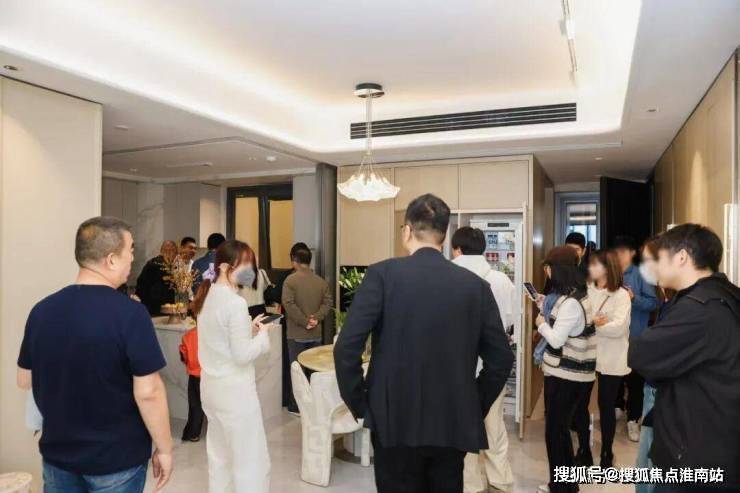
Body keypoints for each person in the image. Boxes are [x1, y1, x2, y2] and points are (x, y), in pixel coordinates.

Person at [334, 194, 514, 493]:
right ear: (444, 236)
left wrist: (362, 403)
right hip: (452, 419)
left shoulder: (382, 276)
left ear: (407, 231)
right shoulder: (475, 287)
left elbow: (346, 347)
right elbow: (501, 359)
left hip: (393, 418)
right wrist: (473, 403)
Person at [17, 216, 173, 493]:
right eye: (130, 250)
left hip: (58, 456)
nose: (132, 258)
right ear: (111, 260)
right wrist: (165, 448)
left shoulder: (41, 311)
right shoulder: (131, 314)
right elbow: (149, 392)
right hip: (116, 459)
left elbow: (24, 379)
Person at [629, 224, 740, 492]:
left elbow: (640, 354)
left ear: (681, 257)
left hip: (695, 457)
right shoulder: (726, 294)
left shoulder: (699, 309)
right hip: (716, 445)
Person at [191, 240, 274, 493]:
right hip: (235, 393)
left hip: (212, 389)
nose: (250, 271)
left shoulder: (207, 296)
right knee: (250, 459)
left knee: (220, 457)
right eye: (245, 265)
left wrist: (248, 329)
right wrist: (263, 337)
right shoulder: (235, 303)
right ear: (226, 267)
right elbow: (242, 355)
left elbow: (219, 339)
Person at [450, 226, 515, 493]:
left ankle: (471, 485)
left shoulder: (449, 276)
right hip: (493, 368)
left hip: (458, 369)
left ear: (457, 249)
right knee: (494, 428)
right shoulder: (502, 280)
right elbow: (509, 322)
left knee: (462, 431)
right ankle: (500, 481)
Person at [535, 246, 595, 493]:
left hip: (565, 376)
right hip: (574, 376)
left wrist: (540, 324)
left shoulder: (571, 302)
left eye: (548, 267)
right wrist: (544, 304)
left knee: (556, 433)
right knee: (559, 432)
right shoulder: (577, 295)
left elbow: (557, 339)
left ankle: (562, 487)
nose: (546, 272)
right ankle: (565, 484)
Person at [572, 250, 631, 469]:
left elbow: (619, 328)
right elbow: (579, 319)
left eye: (596, 265)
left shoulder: (621, 295)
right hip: (587, 353)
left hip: (612, 356)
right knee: (580, 403)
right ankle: (584, 450)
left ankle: (607, 451)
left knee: (606, 406)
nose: (591, 268)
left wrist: (593, 325)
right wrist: (597, 322)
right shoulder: (586, 290)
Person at [635, 237, 673, 493]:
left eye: (650, 261)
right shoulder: (670, 300)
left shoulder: (683, 305)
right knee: (647, 459)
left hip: (661, 390)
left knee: (650, 460)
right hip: (655, 386)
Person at [613, 235, 658, 442]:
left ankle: (633, 419)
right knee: (614, 376)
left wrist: (634, 298)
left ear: (632, 254)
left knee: (635, 381)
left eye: (623, 252)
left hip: (635, 337)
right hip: (613, 338)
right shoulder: (609, 273)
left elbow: (654, 303)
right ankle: (617, 406)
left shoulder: (641, 274)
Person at [264, 242, 310, 414]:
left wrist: (269, 289)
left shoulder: (287, 277)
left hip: (290, 326)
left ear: (293, 258)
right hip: (311, 327)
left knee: (291, 363)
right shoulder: (315, 277)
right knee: (306, 363)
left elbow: (274, 296)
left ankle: (291, 401)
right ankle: (306, 400)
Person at [282, 247, 332, 380]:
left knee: (298, 376)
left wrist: (305, 322)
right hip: (316, 334)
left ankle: (299, 396)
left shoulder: (290, 280)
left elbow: (288, 304)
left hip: (296, 334)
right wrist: (316, 318)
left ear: (294, 261)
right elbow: (328, 303)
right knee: (315, 375)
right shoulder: (321, 282)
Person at [135, 240, 177, 315]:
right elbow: (142, 285)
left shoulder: (175, 266)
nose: (170, 253)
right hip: (155, 307)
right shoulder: (153, 264)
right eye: (167, 250)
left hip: (167, 307)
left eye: (172, 250)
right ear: (161, 251)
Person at [179, 326, 204, 442]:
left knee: (195, 405)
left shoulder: (189, 335)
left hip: (194, 375)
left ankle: (193, 434)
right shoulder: (214, 332)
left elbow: (183, 354)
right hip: (210, 375)